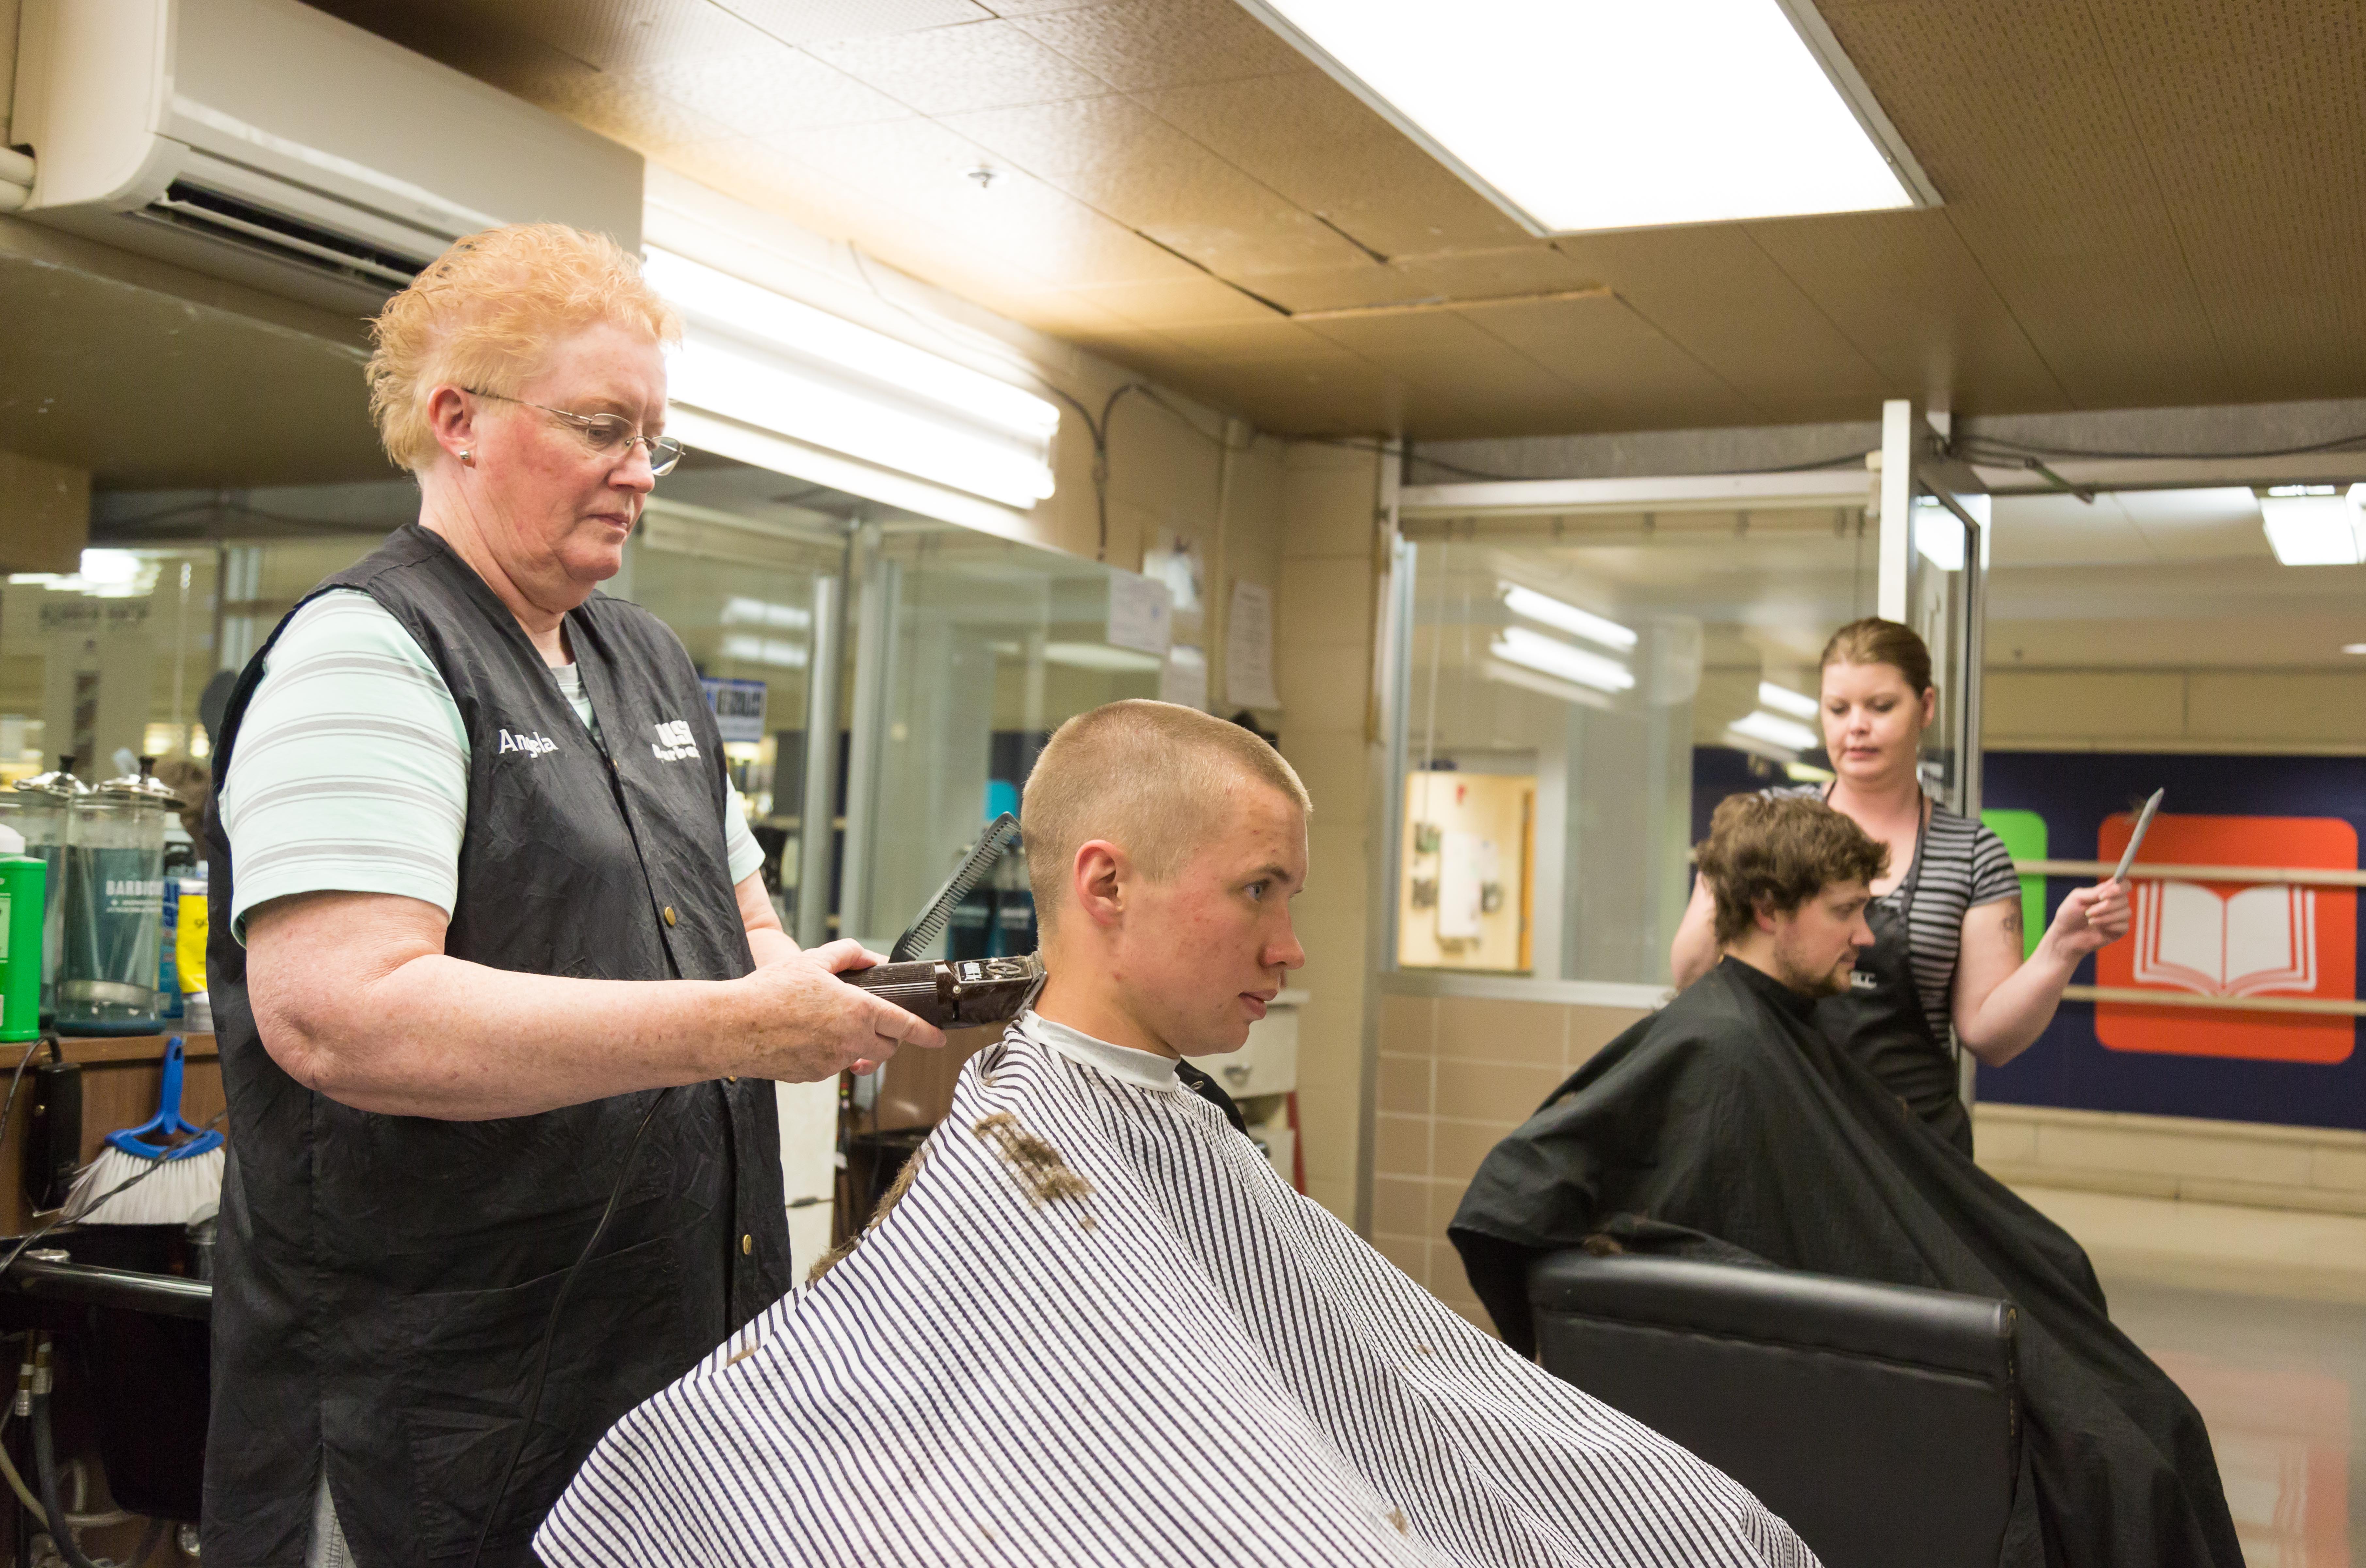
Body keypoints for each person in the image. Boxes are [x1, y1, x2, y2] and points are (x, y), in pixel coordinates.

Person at [535, 702, 1816, 1568]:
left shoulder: (1153, 1123)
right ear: (1104, 886)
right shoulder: (1025, 1152)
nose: (1289, 946)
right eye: (1256, 891)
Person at [201, 224, 945, 1568]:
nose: (639, 474)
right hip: (433, 1414)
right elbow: (338, 1018)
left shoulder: (647, 666)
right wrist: (731, 1030)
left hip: (662, 1378)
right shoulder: (367, 657)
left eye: (655, 437)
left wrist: (818, 998)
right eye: (603, 427)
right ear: (458, 422)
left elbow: (742, 933)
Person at [1452, 794, 2240, 1568]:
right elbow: (1513, 1194)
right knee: (2122, 1464)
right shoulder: (1720, 1048)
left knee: (2140, 1395)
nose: (1865, 935)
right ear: (1767, 908)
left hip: (1896, 1318)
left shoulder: (1779, 1028)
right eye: (1845, 911)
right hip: (1868, 1359)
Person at [1670, 618, 2130, 1153]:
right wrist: (1734, 853)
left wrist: (2061, 950)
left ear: (1926, 708)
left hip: (1916, 1147)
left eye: (1880, 707)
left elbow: (1990, 1038)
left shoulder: (1973, 854)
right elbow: (1691, 974)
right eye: (1838, 709)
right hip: (1780, 1127)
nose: (1855, 727)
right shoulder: (1767, 825)